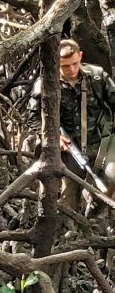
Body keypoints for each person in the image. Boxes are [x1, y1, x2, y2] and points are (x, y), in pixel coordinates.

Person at [32, 38, 115, 187]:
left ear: (81, 56)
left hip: (101, 143)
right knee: (68, 196)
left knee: (111, 179)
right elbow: (33, 118)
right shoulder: (46, 83)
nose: (72, 70)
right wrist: (54, 137)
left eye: (75, 64)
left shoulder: (97, 76)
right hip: (67, 150)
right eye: (65, 66)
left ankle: (95, 209)